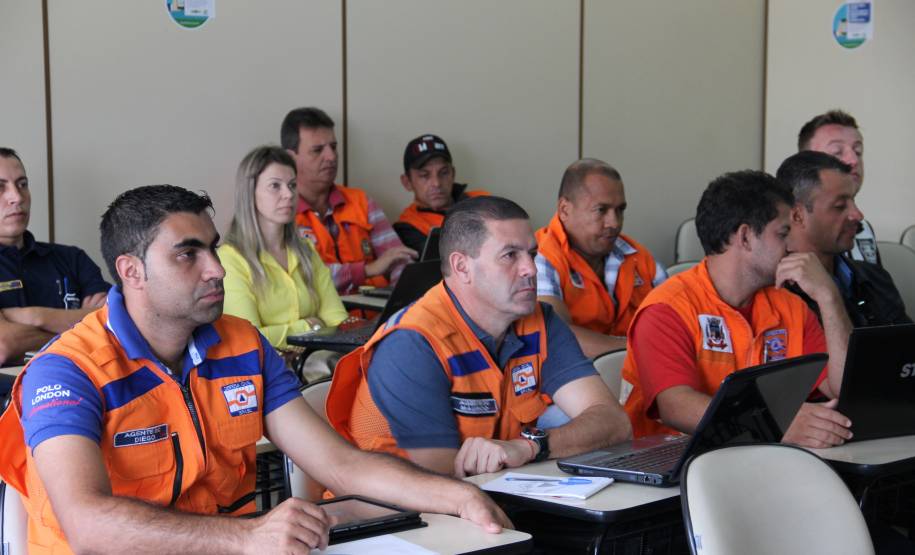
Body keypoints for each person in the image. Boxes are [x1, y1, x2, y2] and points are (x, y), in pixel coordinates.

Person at [0, 185, 510, 554]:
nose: (216, 268)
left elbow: (338, 465)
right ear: (132, 271)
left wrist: (457, 496)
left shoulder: (241, 343)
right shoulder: (67, 370)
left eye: (213, 247)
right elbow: (87, 524)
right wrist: (249, 535)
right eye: (188, 254)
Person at [327, 196, 632, 478]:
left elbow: (613, 422)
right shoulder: (413, 342)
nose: (530, 269)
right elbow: (438, 480)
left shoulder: (539, 321)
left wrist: (529, 446)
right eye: (510, 255)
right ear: (462, 267)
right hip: (401, 516)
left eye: (532, 254)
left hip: (497, 494)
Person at [621, 170, 854, 449]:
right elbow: (676, 407)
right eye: (783, 234)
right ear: (744, 237)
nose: (793, 246)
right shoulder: (667, 309)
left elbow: (844, 389)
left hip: (761, 457)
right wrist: (773, 424)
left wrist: (829, 295)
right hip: (676, 467)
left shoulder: (790, 305)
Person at [220, 145, 348, 351]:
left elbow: (338, 320)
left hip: (316, 364)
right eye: (275, 186)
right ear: (249, 193)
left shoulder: (305, 249)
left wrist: (287, 335)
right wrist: (309, 325)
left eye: (292, 185)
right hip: (267, 374)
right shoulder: (230, 259)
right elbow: (249, 337)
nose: (288, 194)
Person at [535, 159, 666, 358]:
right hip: (573, 381)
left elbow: (678, 327)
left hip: (642, 376)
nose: (614, 222)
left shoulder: (639, 257)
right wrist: (638, 347)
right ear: (564, 210)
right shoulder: (539, 258)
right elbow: (556, 337)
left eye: (620, 210)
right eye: (601, 210)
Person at [281, 107, 416, 294]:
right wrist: (367, 270)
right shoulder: (281, 211)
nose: (331, 157)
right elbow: (299, 279)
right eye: (317, 150)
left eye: (333, 147)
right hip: (323, 321)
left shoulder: (361, 201)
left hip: (378, 318)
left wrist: (396, 302)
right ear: (290, 158)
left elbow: (400, 259)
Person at [0, 148, 109, 366]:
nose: (17, 197)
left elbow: (112, 324)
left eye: (22, 184)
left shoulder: (71, 258)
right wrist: (82, 326)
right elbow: (4, 346)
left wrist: (36, 317)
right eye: (0, 188)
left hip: (79, 390)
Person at [777, 151, 911, 326]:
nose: (858, 215)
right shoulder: (775, 292)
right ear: (797, 215)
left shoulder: (875, 278)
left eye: (853, 201)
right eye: (840, 206)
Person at [798, 109, 878, 264]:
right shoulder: (784, 233)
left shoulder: (864, 230)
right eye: (837, 152)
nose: (853, 160)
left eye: (858, 151)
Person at [394, 134, 489, 253]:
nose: (436, 183)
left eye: (443, 173)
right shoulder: (407, 226)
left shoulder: (482, 199)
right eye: (424, 175)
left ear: (453, 174)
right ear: (407, 182)